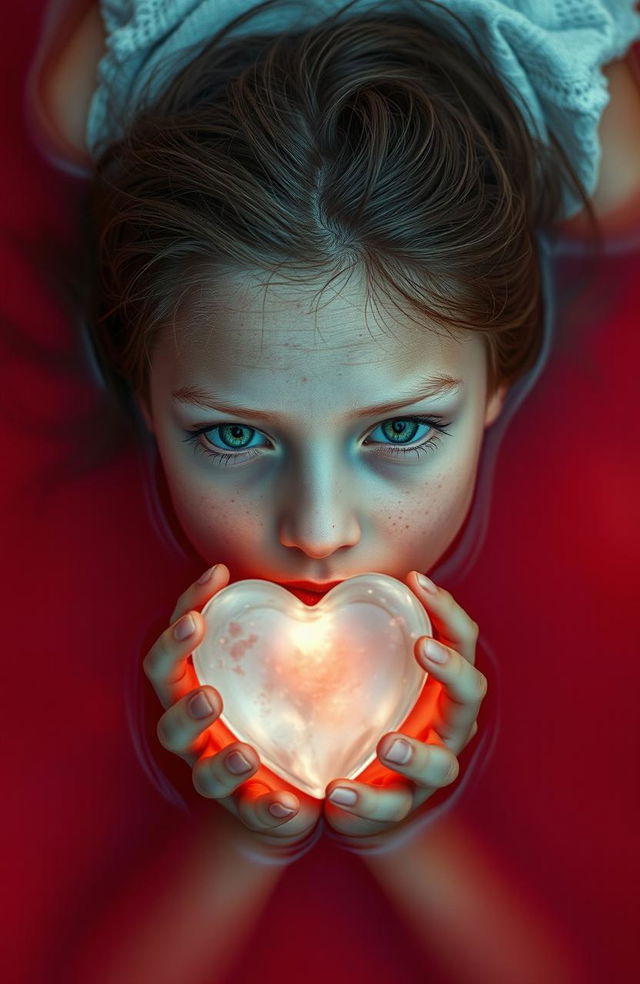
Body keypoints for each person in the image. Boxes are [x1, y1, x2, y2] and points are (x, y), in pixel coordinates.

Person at [26, 0, 640, 979]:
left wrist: (402, 822)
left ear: (499, 385)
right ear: (139, 387)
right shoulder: (66, 102)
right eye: (231, 434)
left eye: (399, 430)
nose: (317, 531)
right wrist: (250, 835)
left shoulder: (612, 166)